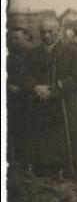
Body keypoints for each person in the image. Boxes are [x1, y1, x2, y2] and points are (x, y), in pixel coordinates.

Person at [20, 17, 77, 176]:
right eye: (43, 32)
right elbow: (23, 75)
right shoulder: (32, 53)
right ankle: (40, 169)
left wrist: (54, 89)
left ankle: (66, 170)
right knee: (41, 138)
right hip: (39, 103)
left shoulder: (73, 52)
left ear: (58, 31)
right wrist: (35, 86)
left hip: (64, 103)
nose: (47, 35)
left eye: (50, 31)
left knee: (64, 139)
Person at [7, 27, 33, 166]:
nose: (13, 41)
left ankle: (25, 161)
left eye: (17, 38)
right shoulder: (9, 55)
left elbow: (35, 76)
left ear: (25, 39)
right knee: (13, 128)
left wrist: (22, 88)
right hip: (11, 99)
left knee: (26, 130)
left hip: (28, 99)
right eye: (11, 38)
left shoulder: (32, 54)